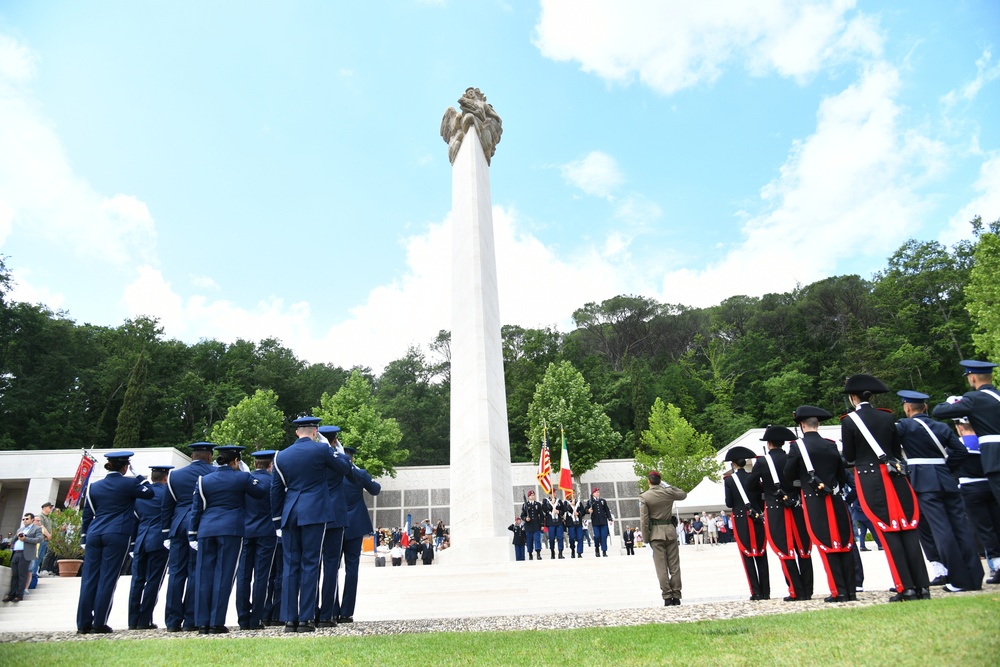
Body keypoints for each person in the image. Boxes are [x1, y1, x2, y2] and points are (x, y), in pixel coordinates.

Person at [841, 374, 929, 602]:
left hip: (871, 479)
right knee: (907, 529)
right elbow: (895, 449)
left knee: (888, 532)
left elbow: (849, 456)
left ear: (853, 398)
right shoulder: (887, 418)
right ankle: (922, 587)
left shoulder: (849, 421)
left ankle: (905, 587)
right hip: (895, 476)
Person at [270, 416, 354, 633]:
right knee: (310, 563)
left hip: (290, 512)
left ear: (297, 433)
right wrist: (336, 451)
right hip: (314, 512)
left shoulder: (281, 456)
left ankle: (290, 619)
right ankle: (306, 617)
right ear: (315, 432)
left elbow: (276, 489)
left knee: (290, 565)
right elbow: (344, 468)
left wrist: (277, 519)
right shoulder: (321, 450)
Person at [896, 390, 983, 591]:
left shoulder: (905, 426)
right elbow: (960, 452)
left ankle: (958, 579)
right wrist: (946, 469)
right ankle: (974, 576)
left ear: (907, 408)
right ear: (925, 407)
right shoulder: (941, 426)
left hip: (924, 482)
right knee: (961, 527)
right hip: (946, 479)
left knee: (941, 530)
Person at [190, 445, 267, 634]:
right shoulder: (242, 477)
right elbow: (261, 491)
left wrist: (192, 533)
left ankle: (202, 622)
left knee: (204, 575)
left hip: (206, 529)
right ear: (236, 461)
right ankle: (216, 622)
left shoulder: (203, 480)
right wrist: (248, 474)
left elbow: (196, 508)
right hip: (230, 530)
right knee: (223, 576)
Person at [76, 451, 155, 633]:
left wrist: (84, 537)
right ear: (125, 467)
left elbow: (88, 513)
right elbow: (149, 493)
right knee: (107, 578)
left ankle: (83, 623)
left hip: (95, 533)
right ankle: (99, 623)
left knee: (89, 579)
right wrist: (140, 477)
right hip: (117, 533)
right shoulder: (129, 483)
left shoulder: (94, 486)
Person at [785, 405, 856, 603]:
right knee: (843, 541)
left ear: (801, 425)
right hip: (835, 497)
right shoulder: (831, 445)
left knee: (825, 542)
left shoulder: (797, 447)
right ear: (817, 425)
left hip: (813, 500)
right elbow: (843, 475)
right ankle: (850, 590)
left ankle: (838, 591)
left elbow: (788, 475)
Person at [749, 425, 813, 602]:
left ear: (769, 444)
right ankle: (807, 590)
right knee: (803, 549)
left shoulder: (762, 462)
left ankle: (795, 590)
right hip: (797, 506)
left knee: (785, 549)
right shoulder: (792, 457)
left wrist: (765, 490)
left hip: (775, 508)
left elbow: (751, 486)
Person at [161, 442, 217, 632]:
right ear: (209, 456)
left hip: (178, 525)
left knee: (176, 573)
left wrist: (166, 531)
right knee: (197, 572)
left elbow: (167, 505)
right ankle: (191, 619)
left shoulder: (175, 475)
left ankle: (172, 620)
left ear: (192, 456)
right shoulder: (212, 473)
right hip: (200, 524)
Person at [933, 360, 1000, 509]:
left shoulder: (973, 399)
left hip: (995, 458)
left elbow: (938, 411)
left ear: (973, 378)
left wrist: (954, 401)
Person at [948, 408, 1000, 584]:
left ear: (959, 427)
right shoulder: (985, 442)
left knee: (985, 529)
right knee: (997, 525)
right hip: (991, 485)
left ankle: (996, 566)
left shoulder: (958, 444)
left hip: (970, 487)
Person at [333, 443, 382, 624]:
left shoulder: (331, 474)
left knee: (332, 569)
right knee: (352, 568)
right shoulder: (359, 474)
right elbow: (375, 489)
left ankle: (332, 609)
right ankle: (346, 612)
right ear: (351, 458)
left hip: (335, 525)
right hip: (354, 526)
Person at [316, 425, 356, 629]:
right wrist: (337, 451)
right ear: (336, 440)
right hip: (335, 516)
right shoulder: (338, 458)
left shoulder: (311, 456)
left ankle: (311, 610)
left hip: (314, 515)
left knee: (312, 565)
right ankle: (327, 613)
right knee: (331, 566)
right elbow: (347, 468)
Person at [236, 450, 278, 631]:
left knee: (243, 575)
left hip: (246, 530)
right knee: (262, 575)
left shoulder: (243, 481)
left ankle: (243, 617)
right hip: (266, 531)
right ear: (271, 465)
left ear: (254, 464)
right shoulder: (273, 482)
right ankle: (256, 618)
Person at [127, 464, 173, 630]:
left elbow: (135, 519)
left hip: (141, 540)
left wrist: (133, 543)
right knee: (153, 581)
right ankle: (145, 619)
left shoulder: (141, 495)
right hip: (158, 540)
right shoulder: (167, 493)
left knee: (137, 581)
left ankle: (133, 619)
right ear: (166, 478)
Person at [724, 446, 769, 600]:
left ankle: (755, 591)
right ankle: (765, 591)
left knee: (747, 555)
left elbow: (729, 503)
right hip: (756, 516)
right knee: (761, 554)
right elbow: (761, 498)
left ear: (734, 464)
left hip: (741, 518)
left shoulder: (729, 480)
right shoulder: (753, 477)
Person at [639, 470, 687, 606]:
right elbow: (683, 494)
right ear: (660, 481)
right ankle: (676, 595)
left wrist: (646, 538)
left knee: (661, 567)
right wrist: (668, 486)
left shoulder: (645, 497)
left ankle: (667, 596)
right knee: (674, 566)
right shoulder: (668, 493)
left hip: (655, 534)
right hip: (670, 532)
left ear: (649, 481)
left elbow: (644, 520)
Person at [3, 513, 43, 604]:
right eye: (23, 519)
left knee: (22, 575)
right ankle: (11, 594)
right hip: (16, 553)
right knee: (14, 575)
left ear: (32, 520)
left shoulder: (36, 529)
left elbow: (39, 540)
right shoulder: (20, 529)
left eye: (27, 519)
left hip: (25, 554)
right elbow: (12, 540)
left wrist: (25, 539)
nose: (25, 521)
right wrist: (17, 536)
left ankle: (19, 595)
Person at [586, 488, 613, 557]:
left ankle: (604, 551)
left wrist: (609, 518)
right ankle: (597, 548)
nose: (597, 493)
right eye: (596, 492)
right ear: (593, 494)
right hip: (595, 522)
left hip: (603, 521)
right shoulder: (590, 502)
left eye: (598, 492)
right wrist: (588, 510)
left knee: (604, 536)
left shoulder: (603, 501)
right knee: (597, 536)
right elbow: (586, 509)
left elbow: (607, 510)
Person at [520, 490, 544, 561]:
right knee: (529, 541)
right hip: (528, 526)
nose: (532, 496)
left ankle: (538, 554)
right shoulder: (525, 505)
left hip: (536, 525)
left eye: (533, 495)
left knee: (537, 540)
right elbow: (522, 515)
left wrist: (542, 524)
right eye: (531, 495)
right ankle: (530, 554)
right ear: (528, 496)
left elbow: (541, 515)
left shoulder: (538, 504)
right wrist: (525, 518)